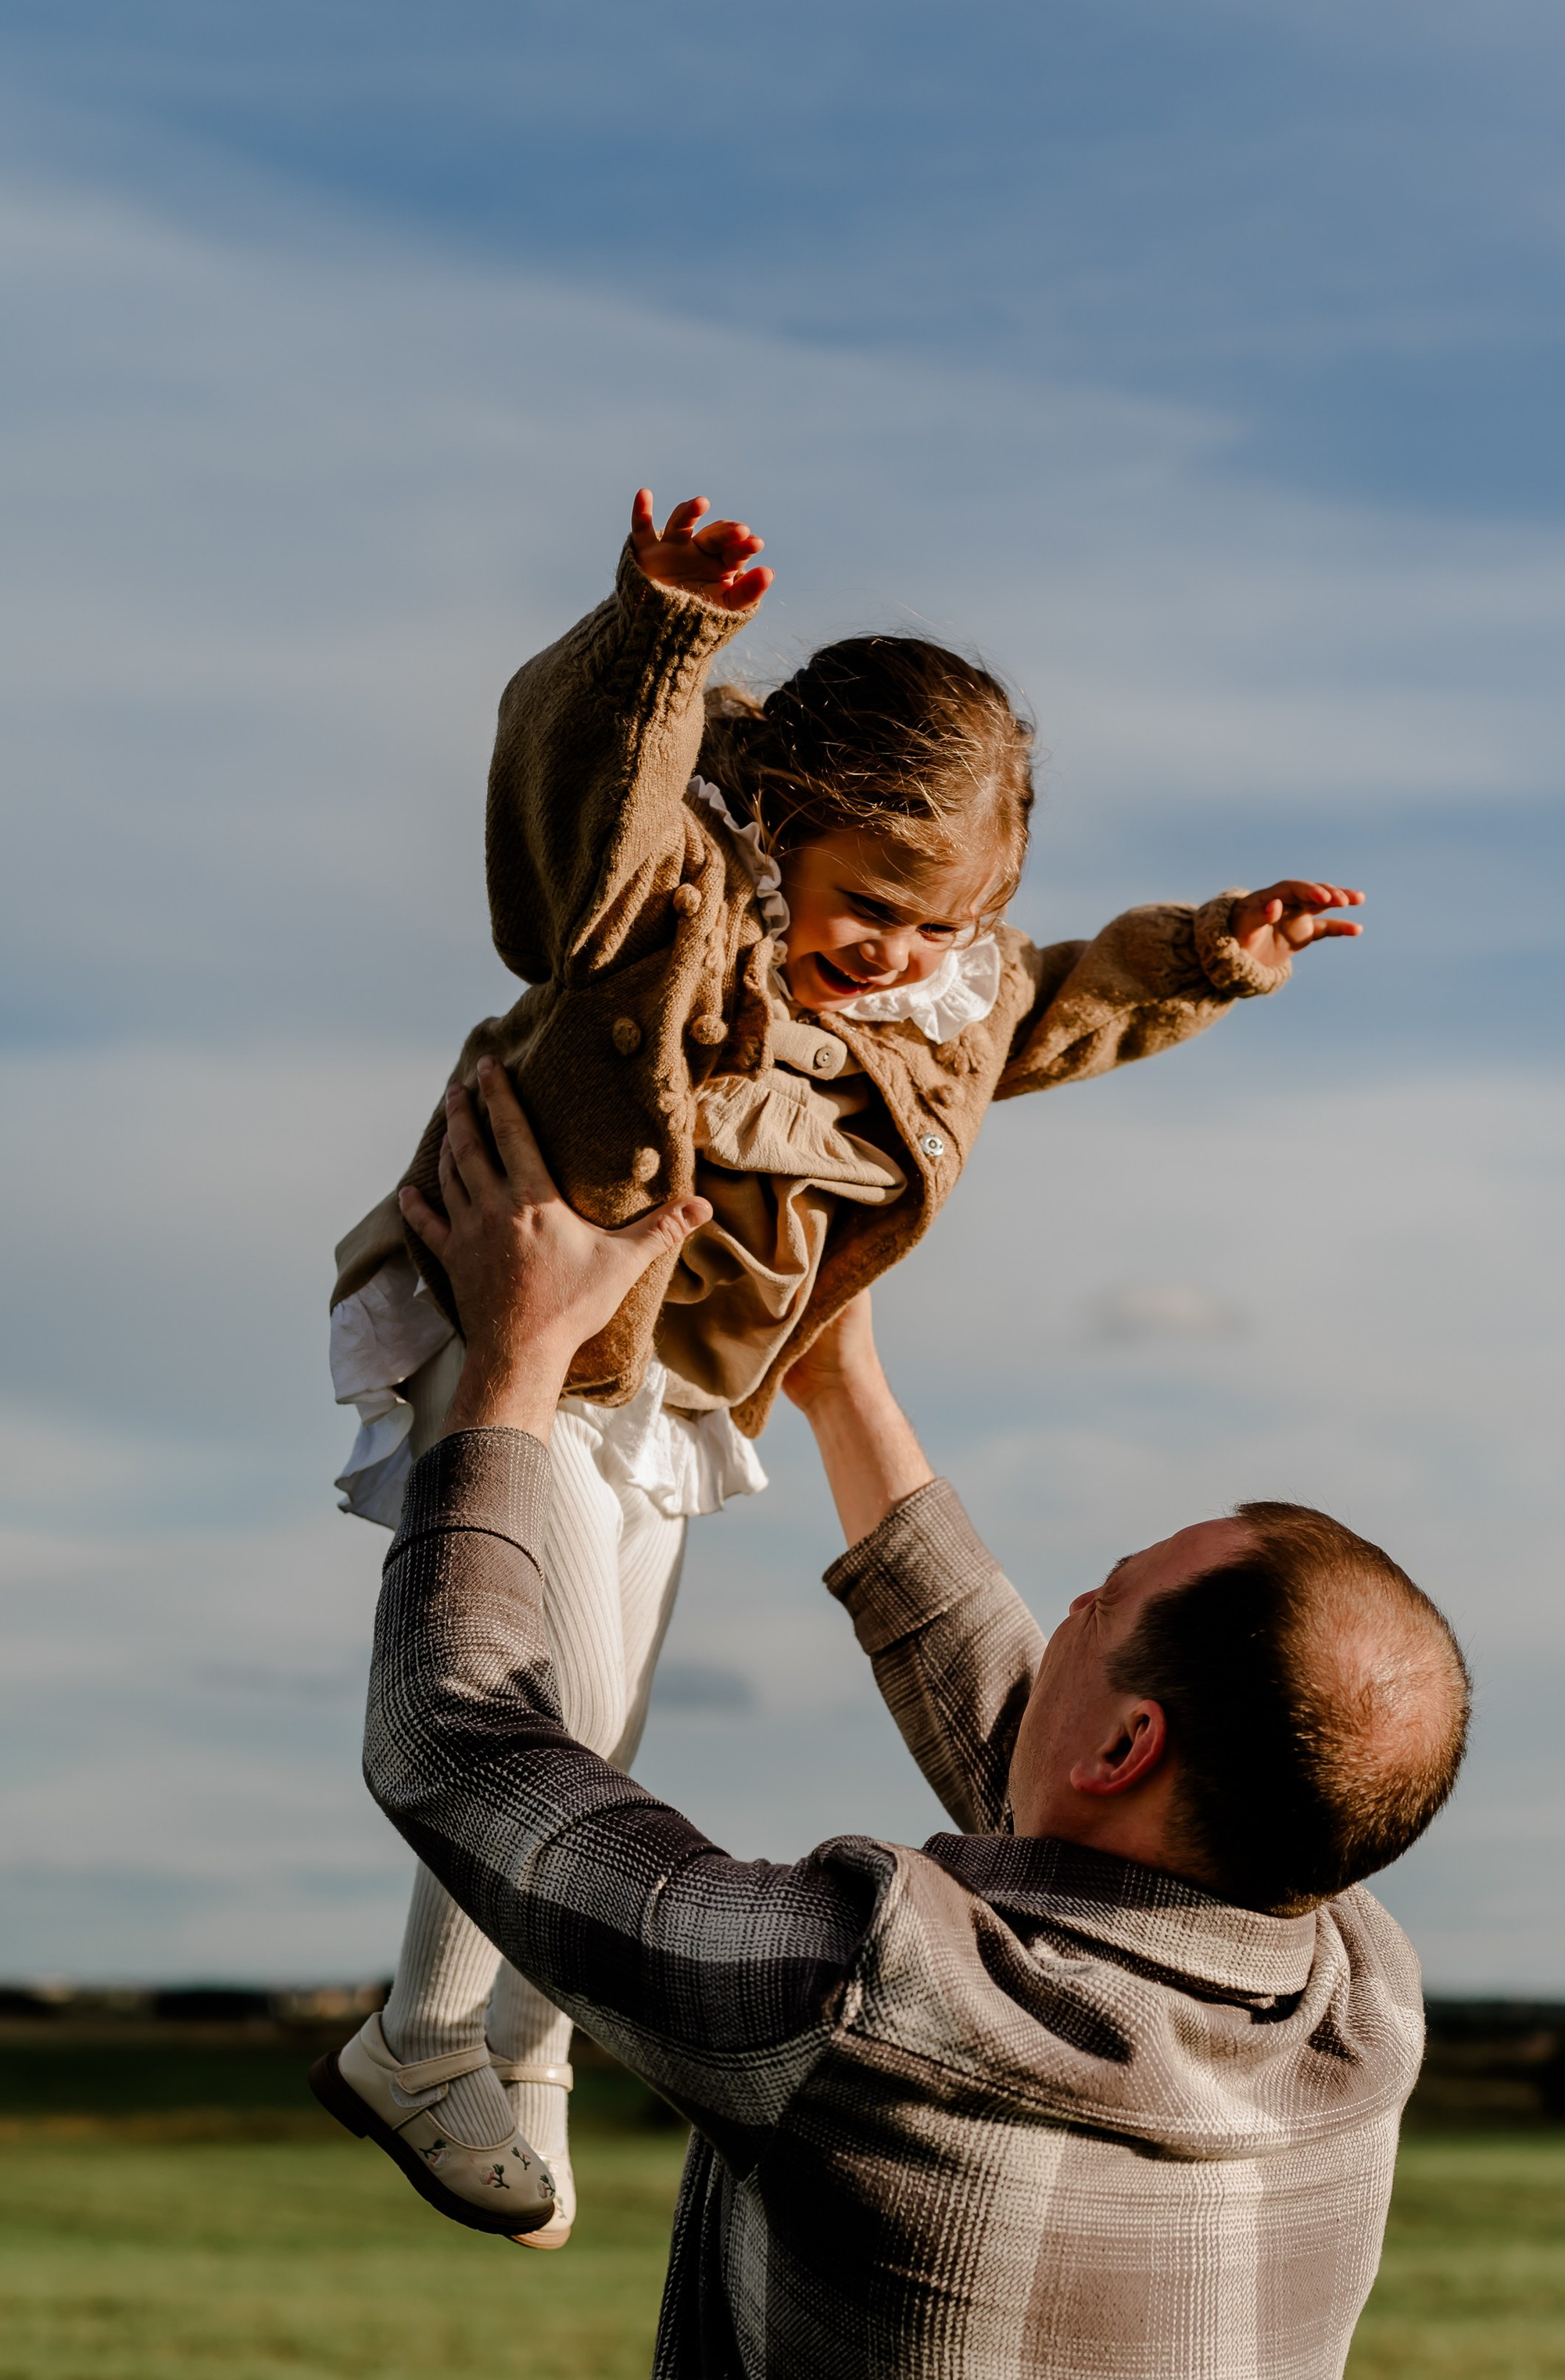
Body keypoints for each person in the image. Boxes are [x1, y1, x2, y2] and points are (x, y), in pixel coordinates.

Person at [335, 1060, 1467, 2380]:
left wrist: (514, 1376)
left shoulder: (868, 2005)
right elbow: (1059, 1783)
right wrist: (837, 1369)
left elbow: (465, 1747)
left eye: (1099, 1598)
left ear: (1126, 1744)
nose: (1065, 1607)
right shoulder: (1348, 1992)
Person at [321, 489, 1366, 2249]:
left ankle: (525, 2043)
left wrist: (1204, 959)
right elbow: (580, 812)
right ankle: (421, 2039)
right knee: (534, 1702)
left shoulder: (932, 995)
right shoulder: (669, 902)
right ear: (782, 823)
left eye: (944, 922)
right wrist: (655, 639)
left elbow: (1044, 1004)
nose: (902, 952)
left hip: (670, 1382)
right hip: (526, 1314)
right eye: (873, 901)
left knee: (613, 1714)